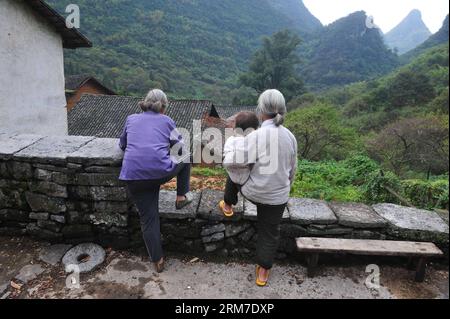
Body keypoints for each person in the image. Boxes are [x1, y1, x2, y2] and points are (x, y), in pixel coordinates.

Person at [222, 89, 298, 287]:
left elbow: (231, 162)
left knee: (233, 172)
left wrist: (233, 148)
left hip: (254, 193)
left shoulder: (256, 136)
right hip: (278, 197)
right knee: (270, 231)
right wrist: (283, 186)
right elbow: (292, 170)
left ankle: (228, 204)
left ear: (260, 110)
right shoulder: (290, 136)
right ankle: (263, 273)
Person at [119, 89, 192, 273]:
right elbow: (180, 149)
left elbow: (122, 145)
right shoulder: (166, 121)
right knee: (187, 156)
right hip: (159, 172)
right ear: (163, 107)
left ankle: (157, 260)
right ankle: (181, 196)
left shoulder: (131, 119)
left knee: (148, 219)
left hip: (133, 176)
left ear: (145, 103)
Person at [219, 111, 260, 217]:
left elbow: (226, 157)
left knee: (231, 180)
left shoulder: (231, 140)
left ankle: (227, 206)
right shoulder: (257, 142)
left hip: (235, 177)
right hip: (252, 179)